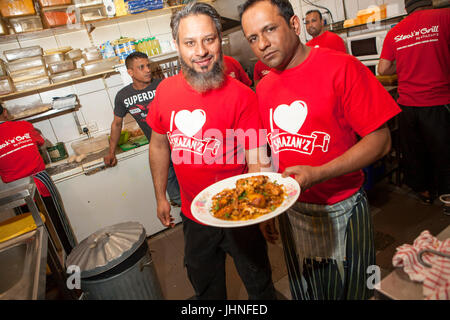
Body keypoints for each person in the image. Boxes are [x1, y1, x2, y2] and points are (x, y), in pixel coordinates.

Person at [239, 0, 401, 300]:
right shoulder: (263, 88)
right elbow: (265, 151)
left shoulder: (341, 67)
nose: (262, 44)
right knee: (308, 293)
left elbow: (381, 141)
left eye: (269, 29)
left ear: (294, 25)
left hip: (343, 209)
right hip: (292, 212)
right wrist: (264, 209)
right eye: (252, 38)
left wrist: (319, 173)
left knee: (356, 293)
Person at [147, 1, 276, 300]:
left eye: (209, 39)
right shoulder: (165, 91)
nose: (201, 51)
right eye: (190, 42)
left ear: (220, 39)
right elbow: (158, 144)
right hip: (194, 216)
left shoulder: (242, 96)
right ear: (176, 45)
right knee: (206, 289)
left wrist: (260, 210)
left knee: (259, 285)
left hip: (239, 215)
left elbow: (257, 157)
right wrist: (160, 196)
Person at [378, 0, 450, 213]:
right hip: (438, 102)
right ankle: (447, 198)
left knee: (416, 152)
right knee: (444, 152)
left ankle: (425, 192)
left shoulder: (396, 31)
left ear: (406, 8)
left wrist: (407, 59)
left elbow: (383, 68)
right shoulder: (444, 17)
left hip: (407, 104)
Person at [104, 51, 181, 206]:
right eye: (141, 67)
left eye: (148, 65)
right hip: (159, 150)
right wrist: (111, 152)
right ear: (130, 72)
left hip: (180, 146)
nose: (148, 70)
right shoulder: (123, 96)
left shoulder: (163, 85)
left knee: (194, 189)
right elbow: (117, 124)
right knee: (175, 194)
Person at [0, 104, 75, 254]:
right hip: (40, 180)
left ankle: (47, 264)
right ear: (5, 113)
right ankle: (75, 259)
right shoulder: (24, 126)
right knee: (58, 222)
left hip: (16, 191)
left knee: (32, 231)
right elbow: (41, 142)